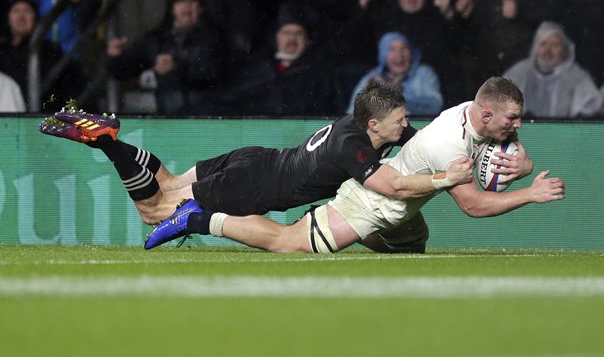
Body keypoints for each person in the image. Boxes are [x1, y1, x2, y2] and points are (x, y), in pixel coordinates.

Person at [144, 77, 564, 254]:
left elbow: (503, 145)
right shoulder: (445, 143)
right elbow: (471, 205)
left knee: (413, 247)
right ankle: (196, 221)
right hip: (374, 202)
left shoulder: (476, 113)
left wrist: (521, 165)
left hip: (403, 203)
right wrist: (530, 193)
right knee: (288, 242)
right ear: (486, 115)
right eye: (512, 118)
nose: (517, 125)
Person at [39, 82, 474, 250]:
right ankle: (110, 145)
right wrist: (447, 178)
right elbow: (395, 187)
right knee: (156, 208)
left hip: (256, 159)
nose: (406, 127)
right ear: (375, 123)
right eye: (400, 121)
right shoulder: (355, 147)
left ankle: (111, 138)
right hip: (256, 184)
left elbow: (421, 139)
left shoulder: (360, 125)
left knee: (167, 181)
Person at [105, 0, 225, 115]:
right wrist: (115, 58)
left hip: (209, 119)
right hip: (168, 120)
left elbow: (216, 73)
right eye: (180, 1)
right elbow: (124, 71)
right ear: (172, 8)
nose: (186, 5)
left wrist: (177, 68)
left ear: (200, 8)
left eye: (191, 1)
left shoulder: (215, 38)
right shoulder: (155, 40)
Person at [218, 2, 337, 117]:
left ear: (306, 40)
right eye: (286, 33)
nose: (292, 39)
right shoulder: (256, 67)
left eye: (299, 33)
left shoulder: (318, 72)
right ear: (276, 37)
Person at [503, 21, 602, 119]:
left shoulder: (578, 77)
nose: (547, 50)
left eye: (555, 45)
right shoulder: (518, 73)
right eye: (543, 44)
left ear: (565, 50)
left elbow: (590, 114)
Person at [346, 31, 442, 116]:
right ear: (383, 55)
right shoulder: (372, 78)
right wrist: (377, 95)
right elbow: (353, 114)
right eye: (392, 49)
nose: (399, 55)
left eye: (404, 48)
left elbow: (435, 107)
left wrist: (400, 96)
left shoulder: (424, 74)